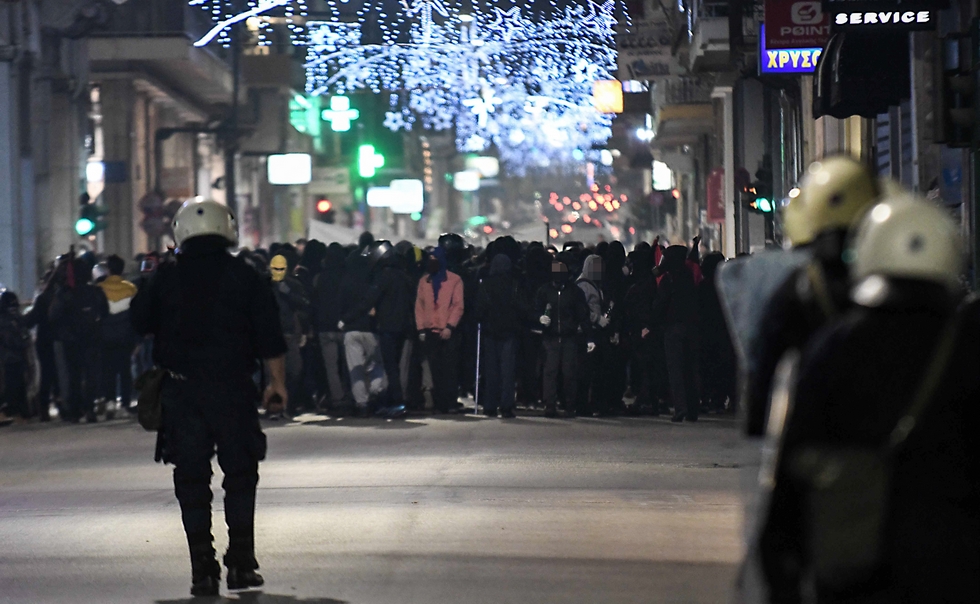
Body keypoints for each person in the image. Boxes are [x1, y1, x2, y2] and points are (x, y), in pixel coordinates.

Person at [758, 195, 979, 603]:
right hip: (957, 568)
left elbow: (796, 462)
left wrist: (781, 565)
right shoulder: (969, 344)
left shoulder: (836, 345)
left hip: (856, 567)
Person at [131, 199, 287, 597]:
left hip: (182, 391)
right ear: (227, 228)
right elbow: (270, 336)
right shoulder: (246, 275)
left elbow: (138, 323)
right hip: (233, 388)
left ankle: (202, 567)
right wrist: (276, 384)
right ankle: (241, 564)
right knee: (240, 475)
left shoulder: (166, 277)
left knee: (190, 478)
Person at [743, 155, 880, 436]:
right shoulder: (889, 269)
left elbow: (766, 359)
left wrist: (757, 418)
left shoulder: (801, 285)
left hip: (822, 432)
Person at [49, 257, 109, 423]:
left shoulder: (64, 293)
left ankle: (75, 410)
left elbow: (53, 316)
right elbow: (105, 312)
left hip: (71, 341)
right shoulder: (95, 292)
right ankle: (90, 408)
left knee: (73, 376)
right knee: (91, 375)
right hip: (92, 338)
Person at [535, 259, 591, 418]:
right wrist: (540, 318)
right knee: (550, 372)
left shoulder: (574, 292)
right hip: (550, 337)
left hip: (569, 337)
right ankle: (550, 405)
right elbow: (535, 309)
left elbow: (583, 315)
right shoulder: (544, 291)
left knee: (569, 373)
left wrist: (589, 337)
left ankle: (569, 405)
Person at [475, 253, 527, 418]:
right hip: (509, 331)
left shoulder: (486, 284)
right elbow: (521, 306)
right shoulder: (514, 284)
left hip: (490, 331)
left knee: (491, 370)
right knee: (508, 370)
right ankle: (506, 405)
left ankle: (490, 405)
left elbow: (480, 308)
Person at [338, 250, 387, 416]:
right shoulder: (373, 281)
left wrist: (344, 320)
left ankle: (362, 403)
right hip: (371, 330)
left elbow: (341, 306)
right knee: (376, 365)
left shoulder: (345, 282)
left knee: (355, 369)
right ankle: (376, 391)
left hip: (351, 330)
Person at [415, 247, 465, 414]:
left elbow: (458, 305)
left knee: (449, 368)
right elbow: (419, 306)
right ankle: (438, 402)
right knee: (435, 368)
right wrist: (421, 328)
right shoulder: (425, 281)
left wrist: (450, 326)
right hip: (430, 331)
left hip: (447, 331)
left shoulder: (454, 280)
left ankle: (449, 401)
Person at [654, 245, 699, 422]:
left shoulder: (669, 279)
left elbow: (660, 305)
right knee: (690, 369)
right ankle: (693, 410)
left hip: (673, 328)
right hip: (692, 328)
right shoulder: (690, 276)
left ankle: (680, 409)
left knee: (676, 370)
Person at [313, 244, 353, 412]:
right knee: (348, 365)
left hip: (324, 327)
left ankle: (337, 398)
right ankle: (351, 396)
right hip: (344, 326)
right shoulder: (347, 277)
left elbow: (315, 303)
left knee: (331, 367)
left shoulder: (320, 278)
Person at [269, 253, 310, 417]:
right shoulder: (265, 285)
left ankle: (289, 404)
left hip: (288, 332)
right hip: (271, 334)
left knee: (294, 370)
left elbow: (304, 304)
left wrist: (288, 293)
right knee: (273, 374)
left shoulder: (292, 284)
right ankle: (275, 408)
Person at [98, 254, 139, 417]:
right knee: (125, 370)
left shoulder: (99, 288)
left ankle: (109, 402)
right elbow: (136, 315)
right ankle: (125, 403)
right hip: (126, 336)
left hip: (105, 336)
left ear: (108, 270)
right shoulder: (131, 288)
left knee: (108, 370)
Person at [0, 290, 31, 422]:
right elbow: (10, 339)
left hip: (17, 356)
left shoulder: (16, 318)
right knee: (11, 384)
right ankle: (11, 410)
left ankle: (20, 411)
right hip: (8, 357)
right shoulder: (6, 320)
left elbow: (24, 333)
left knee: (19, 384)